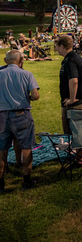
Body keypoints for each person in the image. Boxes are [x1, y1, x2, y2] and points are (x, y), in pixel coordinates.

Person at [0, 50, 40, 191]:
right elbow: (35, 95)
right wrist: (26, 97)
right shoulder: (27, 74)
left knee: (2, 149)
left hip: (2, 116)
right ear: (21, 61)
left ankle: (1, 182)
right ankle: (27, 180)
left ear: (5, 60)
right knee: (26, 147)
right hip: (21, 114)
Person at [55, 34, 82, 160]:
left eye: (57, 46)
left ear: (62, 46)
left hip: (74, 104)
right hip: (77, 101)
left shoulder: (70, 60)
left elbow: (74, 81)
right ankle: (81, 156)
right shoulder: (75, 57)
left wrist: (72, 99)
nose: (56, 49)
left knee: (75, 132)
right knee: (78, 132)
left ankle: (80, 159)